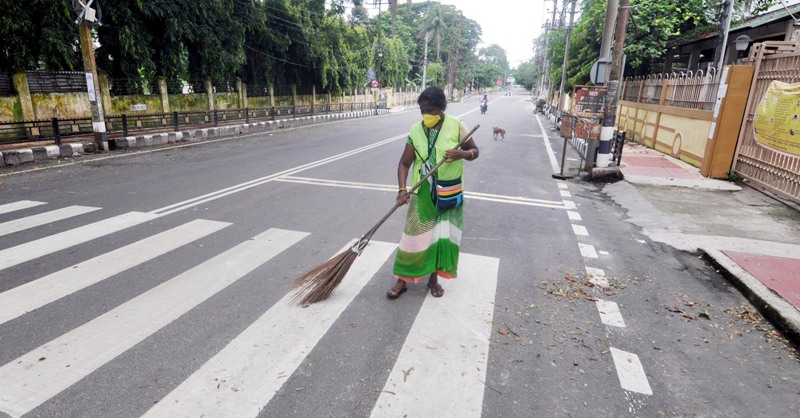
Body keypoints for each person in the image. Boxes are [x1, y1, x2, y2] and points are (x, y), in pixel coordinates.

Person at [387, 86, 479, 299]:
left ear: (441, 108)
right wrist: (402, 190)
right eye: (422, 110)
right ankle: (403, 280)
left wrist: (463, 153)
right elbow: (404, 163)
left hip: (449, 193)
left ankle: (433, 279)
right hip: (423, 194)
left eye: (429, 110)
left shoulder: (457, 126)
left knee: (441, 237)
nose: (425, 115)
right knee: (413, 238)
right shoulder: (415, 130)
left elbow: (475, 151)